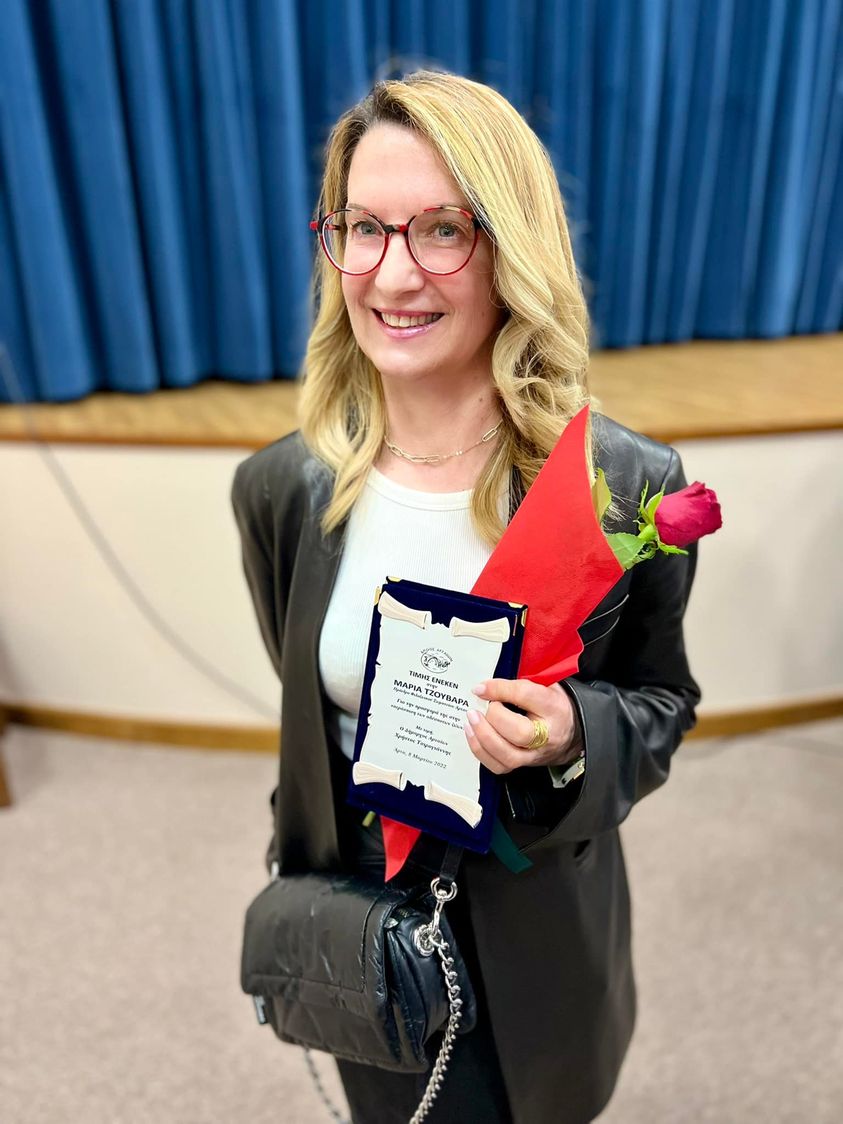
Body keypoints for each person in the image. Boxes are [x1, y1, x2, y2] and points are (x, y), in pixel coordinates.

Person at [232, 70, 700, 1124]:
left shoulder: (620, 487)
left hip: (536, 918)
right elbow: (310, 713)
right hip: (361, 917)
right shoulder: (283, 489)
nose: (393, 273)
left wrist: (573, 728)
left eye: (441, 230)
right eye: (364, 228)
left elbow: (661, 705)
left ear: (510, 247)